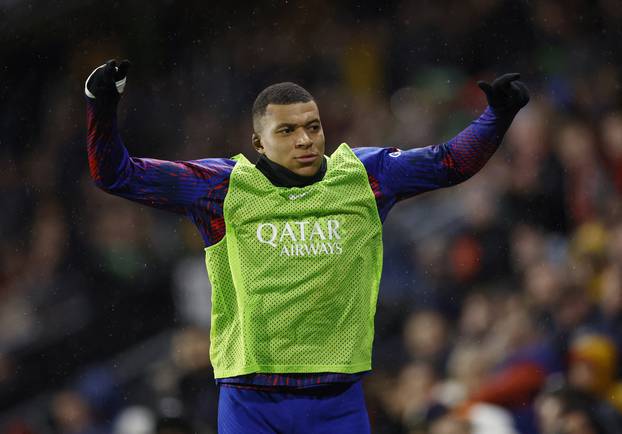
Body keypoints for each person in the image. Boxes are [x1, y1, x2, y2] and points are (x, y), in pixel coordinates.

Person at [85, 59, 529, 433]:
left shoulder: (364, 177)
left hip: (337, 398)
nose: (305, 140)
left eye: (313, 127)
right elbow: (116, 174)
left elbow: (450, 162)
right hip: (250, 400)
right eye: (288, 130)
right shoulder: (220, 187)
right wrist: (101, 109)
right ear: (259, 142)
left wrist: (497, 116)